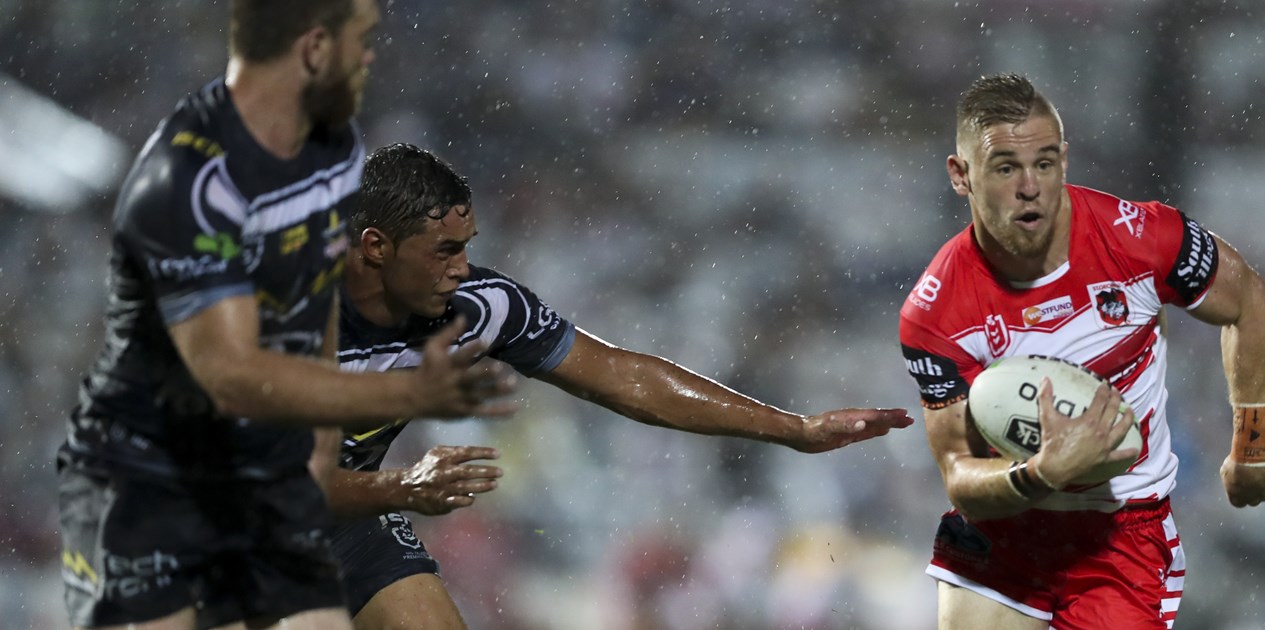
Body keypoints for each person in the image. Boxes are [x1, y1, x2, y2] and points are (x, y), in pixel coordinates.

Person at [315, 143, 917, 629]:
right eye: (444, 252)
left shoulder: (481, 305)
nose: (462, 269)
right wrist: (401, 486)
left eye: (465, 248)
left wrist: (794, 429)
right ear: (376, 247)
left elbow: (625, 379)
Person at [56, 3, 518, 629]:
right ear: (313, 48)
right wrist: (409, 404)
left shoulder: (330, 157)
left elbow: (312, 319)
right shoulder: (190, 180)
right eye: (361, 39)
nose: (370, 56)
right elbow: (229, 377)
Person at [898, 74, 1265, 629]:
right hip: (1004, 528)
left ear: (1064, 160)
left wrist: (1253, 445)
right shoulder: (934, 311)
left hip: (1122, 533)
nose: (1030, 187)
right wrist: (1041, 473)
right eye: (1005, 168)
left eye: (1045, 163)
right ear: (961, 175)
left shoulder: (1141, 237)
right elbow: (960, 474)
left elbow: (1249, 302)